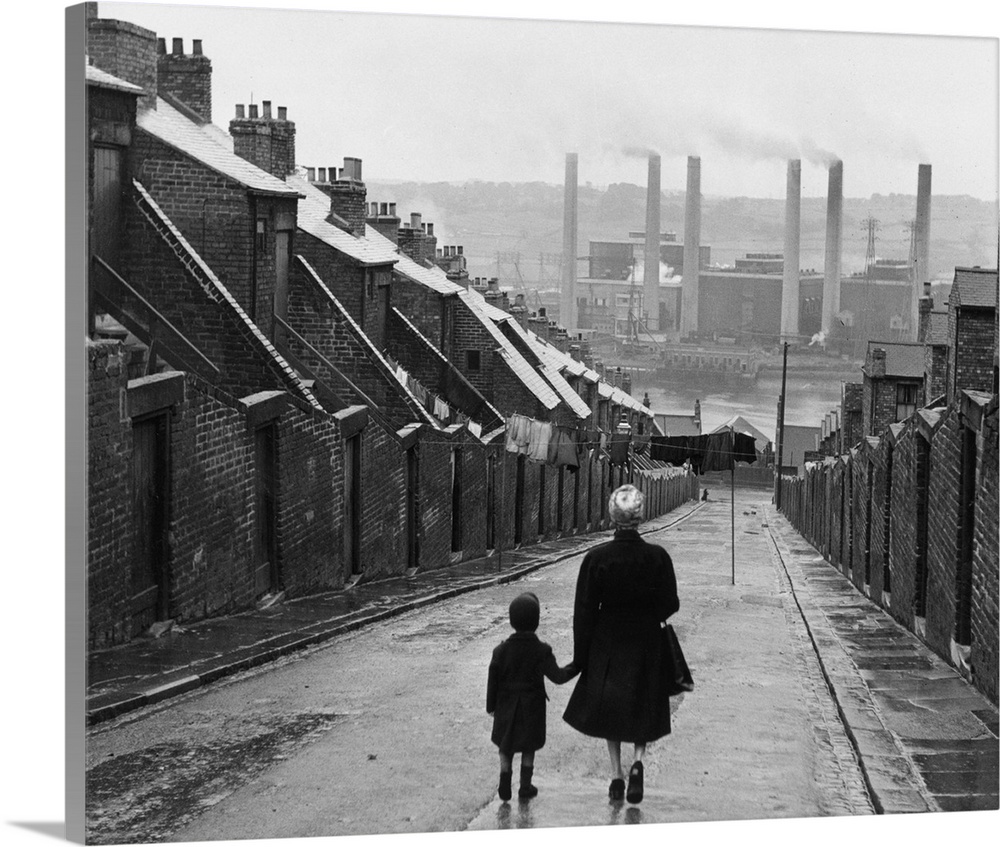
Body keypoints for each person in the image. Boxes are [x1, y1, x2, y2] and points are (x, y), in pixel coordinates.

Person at [563, 484, 680, 804]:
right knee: (643, 704)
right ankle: (638, 763)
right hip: (646, 640)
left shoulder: (597, 558)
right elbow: (671, 603)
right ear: (640, 516)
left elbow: (583, 611)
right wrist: (648, 615)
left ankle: (616, 775)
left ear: (613, 517)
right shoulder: (657, 557)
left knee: (612, 709)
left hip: (608, 641)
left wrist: (580, 657)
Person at [486, 592, 578, 802]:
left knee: (505, 745)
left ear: (511, 621)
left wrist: (491, 706)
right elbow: (558, 676)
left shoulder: (500, 651)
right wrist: (577, 666)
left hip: (506, 707)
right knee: (529, 746)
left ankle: (504, 782)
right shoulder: (541, 650)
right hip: (532, 708)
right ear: (536, 622)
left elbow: (493, 679)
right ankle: (525, 786)